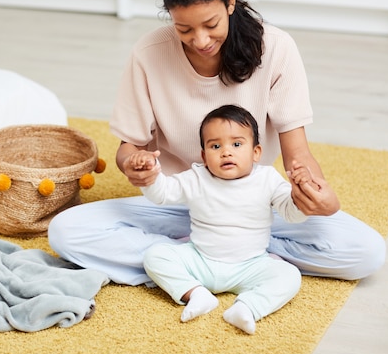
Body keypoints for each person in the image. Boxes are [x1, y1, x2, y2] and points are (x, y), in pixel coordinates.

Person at [48, 0, 385, 286]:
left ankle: (210, 258)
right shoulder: (149, 54)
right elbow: (128, 147)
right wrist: (135, 165)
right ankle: (220, 259)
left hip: (257, 205)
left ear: (230, 2)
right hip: (183, 201)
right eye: (184, 29)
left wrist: (314, 192)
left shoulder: (277, 48)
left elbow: (298, 155)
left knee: (367, 251)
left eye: (211, 25)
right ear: (170, 17)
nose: (200, 40)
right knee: (66, 231)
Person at [132, 104, 309, 334]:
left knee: (289, 276)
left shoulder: (267, 179)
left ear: (256, 152)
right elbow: (163, 193)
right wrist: (151, 172)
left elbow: (291, 213)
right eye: (216, 146)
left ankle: (247, 307)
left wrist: (300, 194)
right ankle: (196, 293)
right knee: (156, 256)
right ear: (205, 156)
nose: (226, 152)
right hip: (200, 260)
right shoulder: (198, 177)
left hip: (251, 265)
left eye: (237, 144)